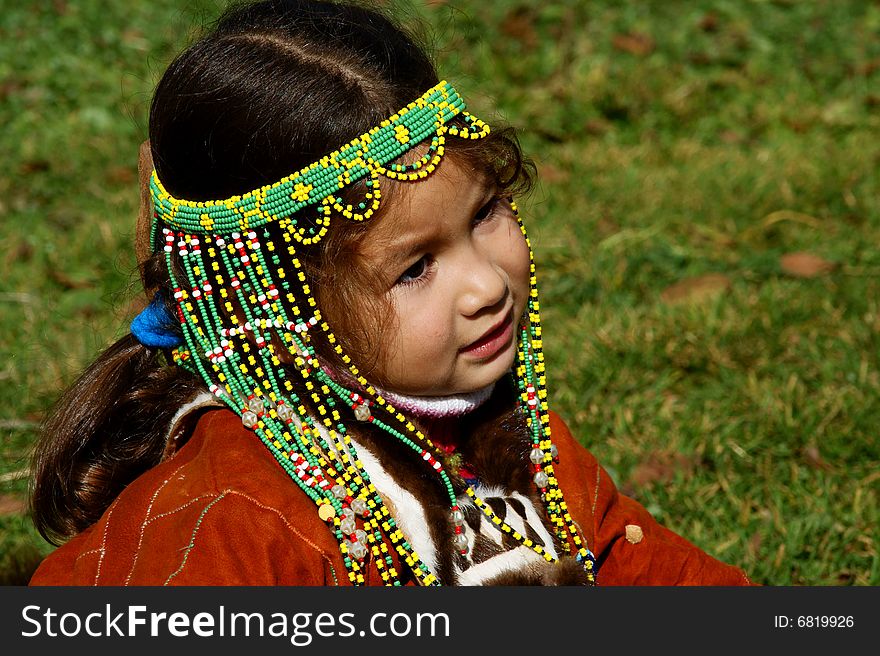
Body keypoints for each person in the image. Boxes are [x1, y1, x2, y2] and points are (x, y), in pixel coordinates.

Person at [29, 0, 752, 586]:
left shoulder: (523, 441)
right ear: (286, 310)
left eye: (484, 213)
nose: (485, 284)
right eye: (414, 269)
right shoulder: (230, 522)